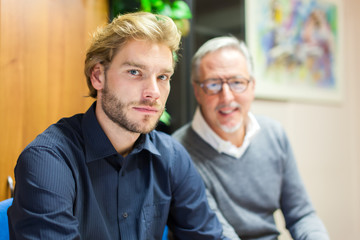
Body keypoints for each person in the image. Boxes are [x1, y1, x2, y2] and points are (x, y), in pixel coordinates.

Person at [7, 12, 228, 240]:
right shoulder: (48, 161)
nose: (153, 92)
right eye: (135, 72)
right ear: (97, 76)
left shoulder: (171, 157)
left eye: (162, 77)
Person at [172, 36, 330, 240]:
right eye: (213, 84)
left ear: (252, 86)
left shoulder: (273, 134)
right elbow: (218, 235)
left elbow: (301, 215)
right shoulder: (179, 151)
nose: (227, 97)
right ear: (197, 91)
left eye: (237, 82)